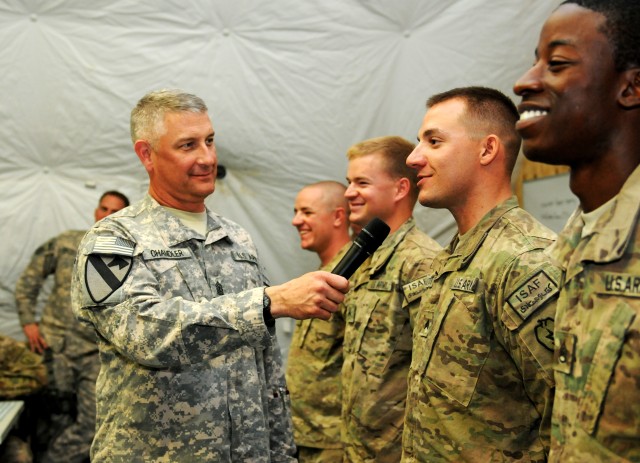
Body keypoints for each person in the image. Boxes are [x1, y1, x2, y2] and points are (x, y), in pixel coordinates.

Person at [70, 89, 349, 462]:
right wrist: (268, 303)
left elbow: (266, 369)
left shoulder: (235, 238)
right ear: (146, 154)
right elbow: (145, 335)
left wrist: (282, 454)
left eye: (210, 141)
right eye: (188, 145)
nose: (207, 158)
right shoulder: (114, 240)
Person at [402, 86, 561, 462]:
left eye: (434, 141)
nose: (413, 158)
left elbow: (569, 417)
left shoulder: (523, 261)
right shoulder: (453, 257)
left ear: (487, 150)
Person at [514, 1, 640, 460]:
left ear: (630, 87)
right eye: (534, 62)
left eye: (558, 64)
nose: (524, 81)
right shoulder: (572, 245)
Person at [340, 135, 441, 462]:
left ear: (400, 189)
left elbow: (434, 376)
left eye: (362, 183)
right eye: (348, 182)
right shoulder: (363, 258)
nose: (348, 193)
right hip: (358, 446)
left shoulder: (421, 262)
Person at [14, 190, 129, 463]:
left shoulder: (127, 257)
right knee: (51, 419)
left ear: (123, 216)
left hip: (96, 355)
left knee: (93, 426)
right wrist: (28, 322)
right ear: (96, 210)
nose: (107, 215)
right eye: (104, 208)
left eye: (115, 211)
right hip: (57, 347)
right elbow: (28, 283)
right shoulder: (67, 243)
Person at [286, 181, 352, 462]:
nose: (296, 220)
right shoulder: (325, 274)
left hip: (334, 440)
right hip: (307, 436)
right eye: (296, 211)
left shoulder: (353, 276)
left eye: (307, 212)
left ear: (338, 216)